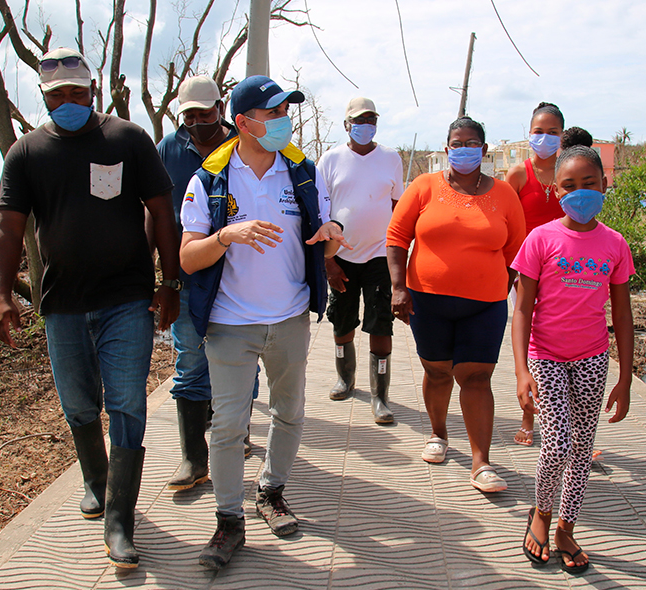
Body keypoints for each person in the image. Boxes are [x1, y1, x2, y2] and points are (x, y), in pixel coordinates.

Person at [0, 47, 180, 569]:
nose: (68, 102)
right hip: (63, 304)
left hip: (126, 298)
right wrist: (3, 294)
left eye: (77, 93)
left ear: (93, 92)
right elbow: (8, 225)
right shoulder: (26, 153)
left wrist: (171, 282)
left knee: (126, 404)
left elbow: (161, 211)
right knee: (78, 406)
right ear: (44, 98)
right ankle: (97, 484)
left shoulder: (127, 139)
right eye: (57, 95)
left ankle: (121, 520)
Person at [180, 75, 348, 570]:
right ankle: (228, 522)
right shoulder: (209, 179)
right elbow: (189, 259)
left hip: (291, 318)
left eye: (284, 112)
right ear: (243, 122)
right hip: (230, 323)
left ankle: (271, 491)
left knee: (289, 412)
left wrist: (333, 233)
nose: (283, 122)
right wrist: (227, 235)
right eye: (273, 114)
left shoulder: (301, 171)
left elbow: (322, 236)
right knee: (228, 425)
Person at [512, 145, 634, 574]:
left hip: (592, 359)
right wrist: (521, 370)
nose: (580, 192)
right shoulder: (540, 239)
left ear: (604, 185)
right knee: (558, 444)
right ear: (555, 189)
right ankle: (541, 514)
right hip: (545, 355)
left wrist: (626, 378)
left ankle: (566, 526)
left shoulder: (615, 243)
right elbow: (523, 308)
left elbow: (621, 314)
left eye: (590, 184)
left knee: (582, 450)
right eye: (569, 185)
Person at [388, 116, 526, 493]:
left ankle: (481, 463)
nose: (463, 149)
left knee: (476, 377)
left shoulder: (503, 194)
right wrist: (398, 288)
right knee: (437, 372)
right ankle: (438, 434)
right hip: (427, 300)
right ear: (447, 149)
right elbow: (397, 237)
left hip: (485, 305)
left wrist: (517, 297)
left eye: (471, 143)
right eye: (456, 143)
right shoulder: (424, 186)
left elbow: (517, 251)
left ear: (483, 149)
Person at [156, 75, 256, 492]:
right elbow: (156, 212)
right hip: (189, 271)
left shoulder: (243, 145)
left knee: (243, 359)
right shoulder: (168, 150)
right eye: (190, 116)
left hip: (238, 273)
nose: (198, 122)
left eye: (206, 113)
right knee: (190, 361)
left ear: (222, 110)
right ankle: (193, 458)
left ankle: (236, 432)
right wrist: (163, 280)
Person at [317, 96, 404, 424]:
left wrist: (401, 259)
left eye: (371, 120)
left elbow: (399, 210)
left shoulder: (390, 159)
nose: (365, 125)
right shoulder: (330, 160)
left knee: (381, 323)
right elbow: (321, 212)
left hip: (380, 255)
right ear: (346, 125)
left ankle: (380, 396)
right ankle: (345, 378)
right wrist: (328, 262)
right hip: (341, 256)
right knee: (342, 320)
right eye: (359, 120)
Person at [505, 102, 565, 447]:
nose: (545, 138)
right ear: (529, 134)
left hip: (566, 273)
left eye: (552, 132)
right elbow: (506, 223)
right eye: (539, 131)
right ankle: (528, 418)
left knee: (565, 344)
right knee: (530, 342)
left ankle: (572, 428)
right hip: (525, 272)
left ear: (562, 136)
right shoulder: (518, 175)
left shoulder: (569, 173)